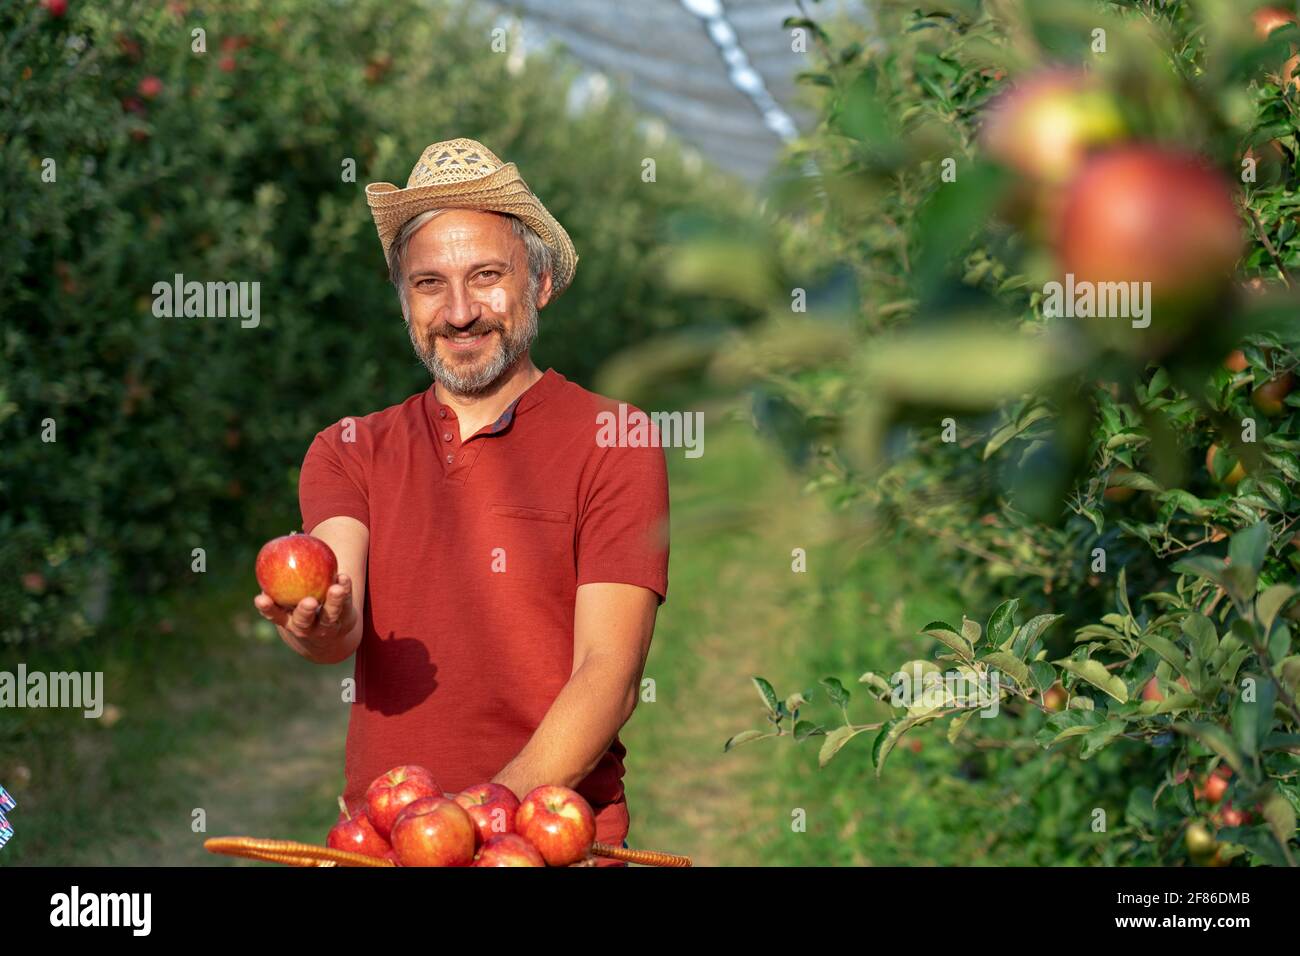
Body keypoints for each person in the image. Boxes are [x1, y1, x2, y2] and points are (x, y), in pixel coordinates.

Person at [253, 138, 669, 864]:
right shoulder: (348, 448)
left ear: (539, 284)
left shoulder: (614, 437)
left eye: (486, 277)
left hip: (549, 841)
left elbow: (612, 670)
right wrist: (316, 620)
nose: (460, 311)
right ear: (404, 300)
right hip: (386, 842)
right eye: (428, 284)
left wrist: (485, 822)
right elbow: (334, 617)